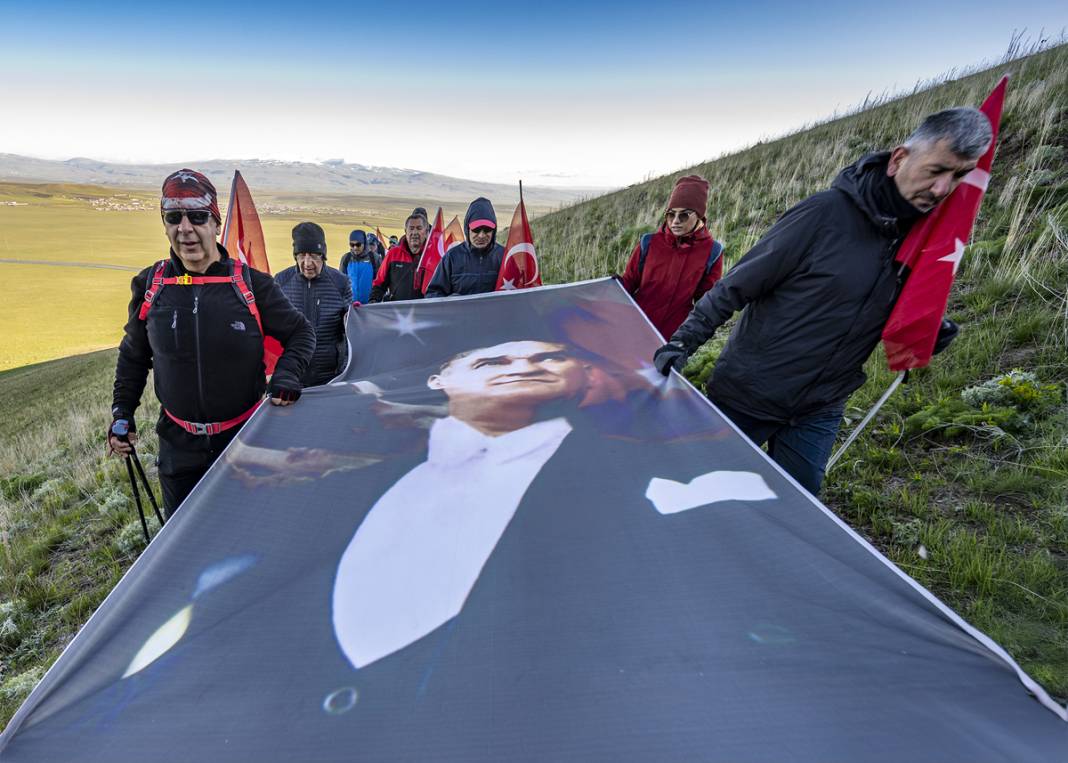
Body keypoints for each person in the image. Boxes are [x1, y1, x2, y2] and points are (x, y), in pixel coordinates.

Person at [332, 339, 775, 668]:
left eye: (549, 358)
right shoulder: (366, 470)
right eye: (492, 362)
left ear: (585, 372)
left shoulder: (640, 472)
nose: (524, 367)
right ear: (439, 380)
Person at [654, 108, 990, 495]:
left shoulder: (926, 240)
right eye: (936, 170)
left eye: (959, 176)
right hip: (748, 394)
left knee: (795, 506)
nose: (943, 189)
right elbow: (736, 285)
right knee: (697, 491)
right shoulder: (823, 214)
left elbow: (875, 306)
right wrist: (684, 342)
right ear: (899, 159)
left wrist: (924, 329)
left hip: (821, 406)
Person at [109, 169, 315, 517]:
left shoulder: (253, 285)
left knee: (249, 532)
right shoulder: (150, 284)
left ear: (216, 223)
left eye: (197, 216)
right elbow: (134, 355)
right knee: (186, 542)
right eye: (173, 217)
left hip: (246, 441)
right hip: (178, 450)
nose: (185, 228)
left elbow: (301, 333)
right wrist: (122, 412)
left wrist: (287, 374)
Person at [618, 174, 724, 339]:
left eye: (684, 215)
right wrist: (606, 290)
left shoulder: (713, 252)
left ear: (699, 216)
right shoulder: (649, 242)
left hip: (672, 339)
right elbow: (628, 283)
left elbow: (705, 305)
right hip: (635, 328)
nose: (675, 221)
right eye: (670, 214)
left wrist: (687, 339)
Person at [275, 222, 353, 386]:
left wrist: (355, 316)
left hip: (330, 378)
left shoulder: (340, 282)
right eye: (301, 255)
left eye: (313, 255)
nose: (307, 263)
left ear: (323, 255)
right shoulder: (281, 281)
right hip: (292, 377)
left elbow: (350, 331)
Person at [425, 197, 505, 297]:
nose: (481, 235)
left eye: (487, 229)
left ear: (494, 230)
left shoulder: (505, 257)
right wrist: (450, 300)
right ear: (467, 229)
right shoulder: (451, 257)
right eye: (476, 229)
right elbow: (432, 294)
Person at [369, 207, 427, 302]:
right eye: (411, 228)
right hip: (396, 310)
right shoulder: (393, 254)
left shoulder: (433, 256)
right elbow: (380, 283)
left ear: (426, 231)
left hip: (424, 310)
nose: (414, 232)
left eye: (419, 228)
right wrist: (373, 300)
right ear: (406, 231)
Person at [338, 229, 377, 304]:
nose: (355, 248)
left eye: (358, 244)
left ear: (364, 243)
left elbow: (379, 282)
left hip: (370, 305)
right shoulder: (346, 258)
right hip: (351, 305)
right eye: (352, 245)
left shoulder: (374, 258)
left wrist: (375, 300)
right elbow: (341, 282)